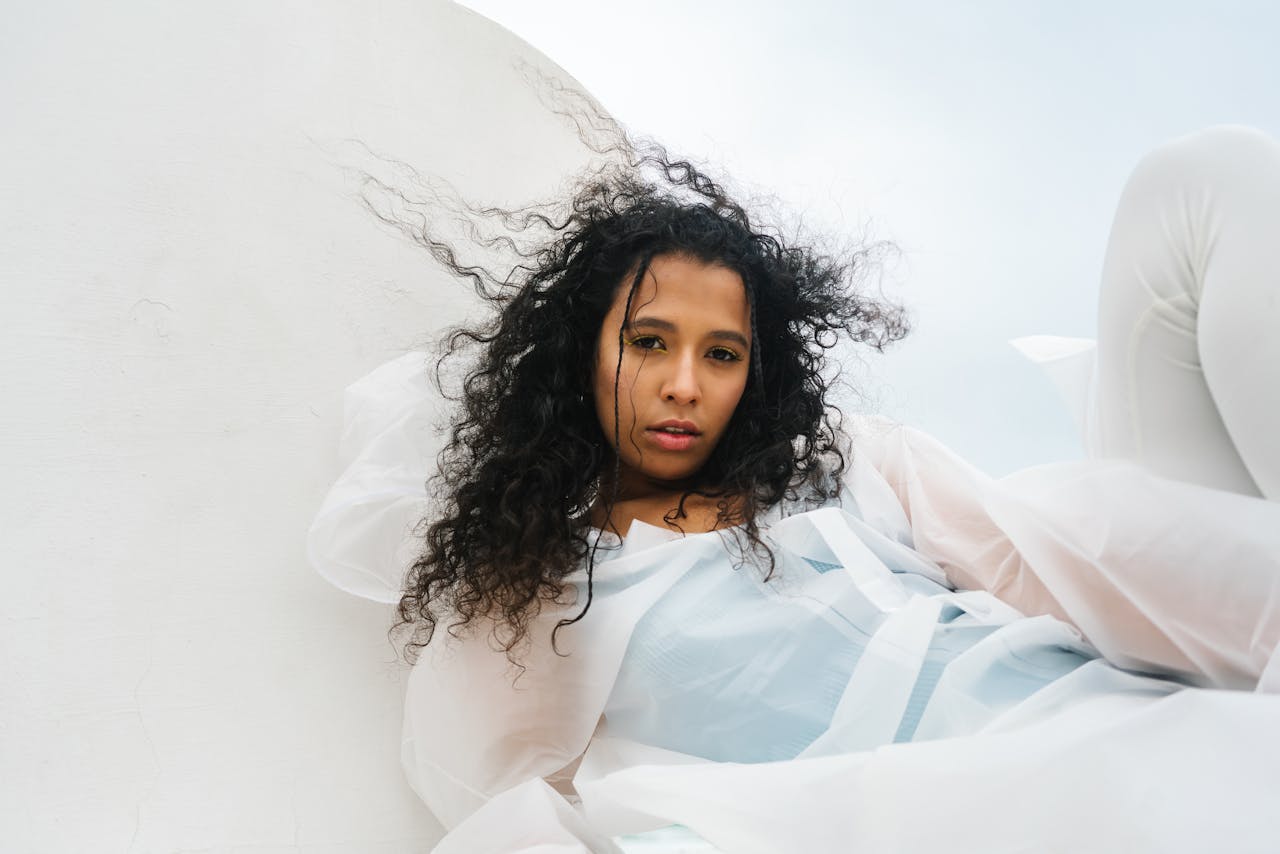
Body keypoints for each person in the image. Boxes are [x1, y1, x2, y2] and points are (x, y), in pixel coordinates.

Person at [308, 123, 1280, 852]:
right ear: (580, 354)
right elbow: (510, 802)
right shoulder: (537, 588)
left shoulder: (845, 465)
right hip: (940, 812)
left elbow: (1067, 567)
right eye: (648, 341)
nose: (683, 382)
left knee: (1201, 178)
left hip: (1125, 711)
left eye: (720, 352)